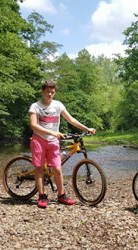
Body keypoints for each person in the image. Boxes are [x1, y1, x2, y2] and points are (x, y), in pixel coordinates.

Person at [29, 80, 96, 209]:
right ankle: (42, 196)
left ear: (55, 92)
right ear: (43, 91)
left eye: (52, 92)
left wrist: (86, 129)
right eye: (47, 91)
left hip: (53, 141)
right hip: (39, 140)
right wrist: (53, 132)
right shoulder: (35, 106)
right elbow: (33, 125)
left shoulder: (58, 105)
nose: (49, 94)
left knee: (57, 169)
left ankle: (61, 195)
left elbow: (71, 120)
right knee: (39, 169)